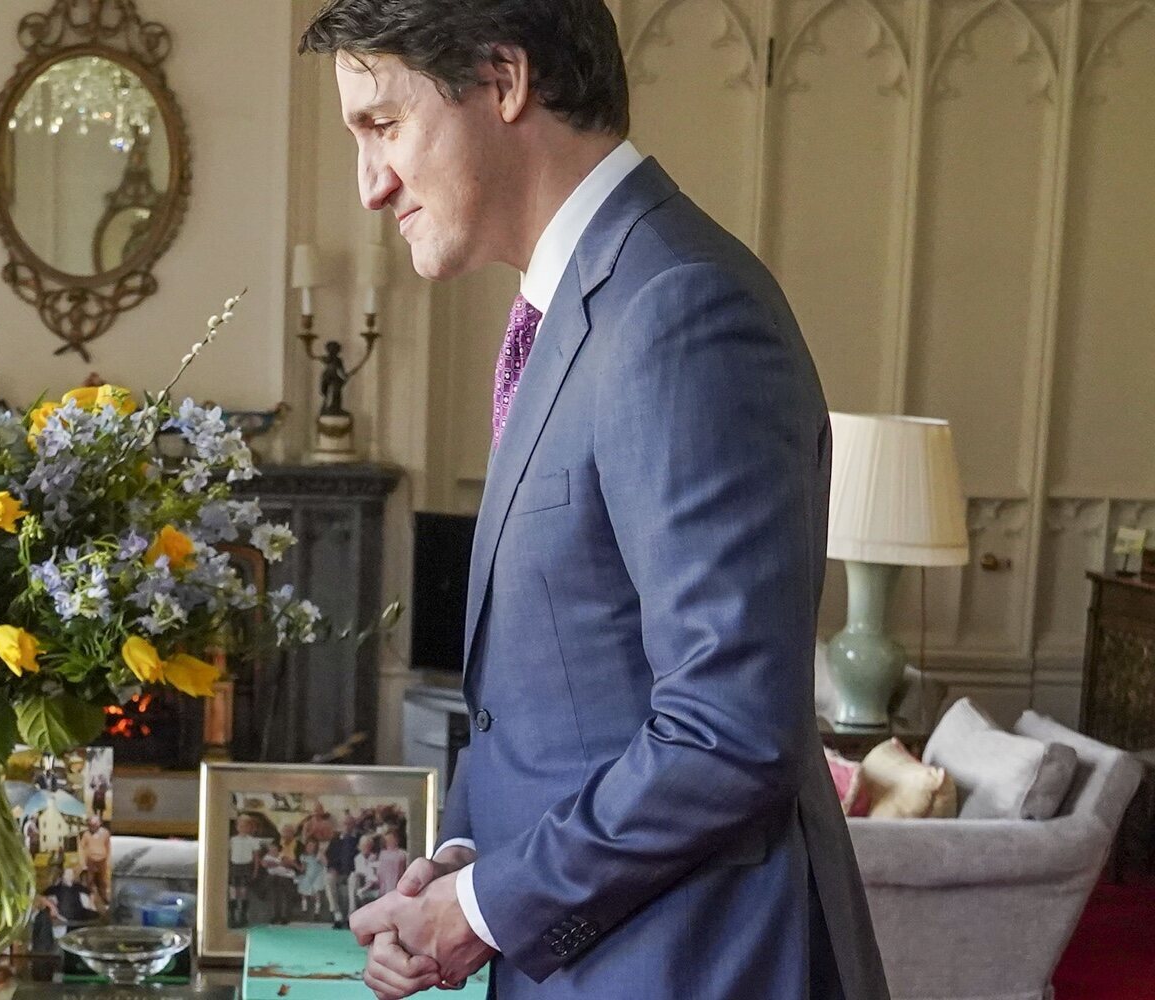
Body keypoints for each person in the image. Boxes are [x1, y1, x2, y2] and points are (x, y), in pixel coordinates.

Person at [299, 2, 888, 998]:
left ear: (502, 79)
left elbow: (725, 730)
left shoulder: (677, 309)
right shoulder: (581, 306)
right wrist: (456, 864)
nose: (369, 185)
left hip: (692, 965)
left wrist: (479, 910)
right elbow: (558, 700)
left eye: (381, 125)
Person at [228, 814, 269, 927]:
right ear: (237, 827)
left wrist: (255, 870)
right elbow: (229, 854)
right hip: (235, 866)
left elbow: (256, 857)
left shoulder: (253, 841)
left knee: (243, 892)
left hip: (246, 867)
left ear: (250, 828)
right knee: (233, 892)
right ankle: (232, 916)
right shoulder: (233, 840)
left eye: (246, 826)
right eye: (241, 826)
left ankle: (243, 916)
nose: (243, 828)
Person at [325, 823, 363, 929]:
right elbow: (329, 856)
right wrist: (332, 868)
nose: (347, 826)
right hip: (338, 872)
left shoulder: (358, 839)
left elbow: (361, 855)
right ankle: (337, 914)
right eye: (345, 824)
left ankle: (351, 916)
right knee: (329, 878)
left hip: (353, 872)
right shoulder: (335, 840)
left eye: (349, 824)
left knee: (353, 878)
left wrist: (355, 870)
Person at [78, 814, 112, 907]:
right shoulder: (86, 834)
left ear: (99, 823)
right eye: (91, 824)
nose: (92, 826)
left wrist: (108, 860)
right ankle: (90, 902)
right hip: (91, 861)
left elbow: (108, 846)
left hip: (102, 861)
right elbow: (81, 847)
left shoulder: (105, 833)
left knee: (102, 881)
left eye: (95, 824)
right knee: (89, 881)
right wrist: (83, 863)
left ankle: (104, 899)